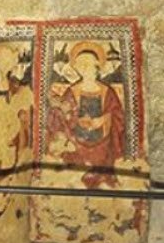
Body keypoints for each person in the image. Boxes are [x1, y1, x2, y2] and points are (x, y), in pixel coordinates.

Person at [50, 41, 125, 188]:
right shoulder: (73, 90)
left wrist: (103, 120)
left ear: (96, 66)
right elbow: (61, 115)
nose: (84, 68)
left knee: (104, 171)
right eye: (81, 65)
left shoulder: (107, 91)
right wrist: (76, 120)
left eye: (87, 64)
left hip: (103, 143)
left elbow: (117, 115)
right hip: (77, 142)